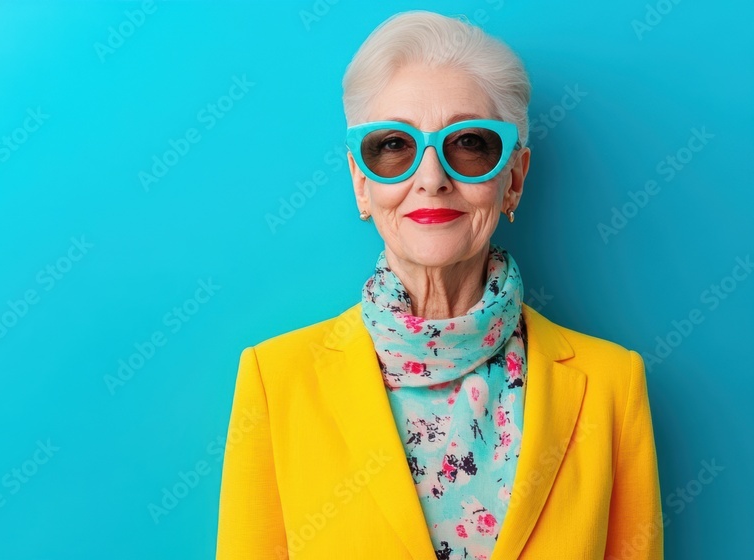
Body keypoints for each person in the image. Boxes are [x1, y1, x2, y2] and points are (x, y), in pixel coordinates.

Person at [215, 10, 663, 560]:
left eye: (470, 143)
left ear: (514, 179)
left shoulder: (612, 385)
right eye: (394, 146)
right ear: (362, 184)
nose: (431, 177)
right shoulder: (275, 382)